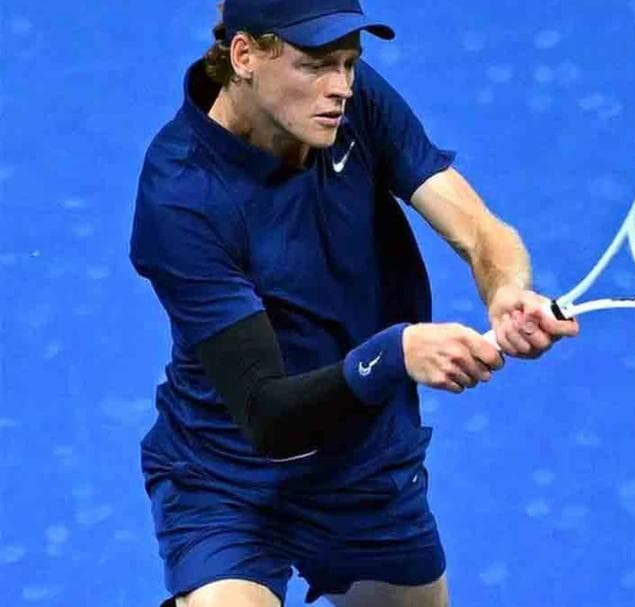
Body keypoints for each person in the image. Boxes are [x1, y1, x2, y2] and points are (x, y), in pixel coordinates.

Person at [128, 1, 579, 606]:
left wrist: (506, 291)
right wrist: (396, 353)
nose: (340, 85)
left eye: (349, 62)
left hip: (365, 467)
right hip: (228, 475)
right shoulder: (182, 197)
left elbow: (478, 230)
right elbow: (268, 415)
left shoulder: (351, 102)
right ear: (245, 55)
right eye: (316, 64)